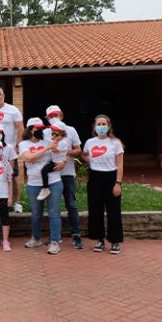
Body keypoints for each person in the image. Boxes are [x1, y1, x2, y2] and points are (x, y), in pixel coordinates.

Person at [20, 117, 65, 255]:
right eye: (37, 129)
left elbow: (62, 152)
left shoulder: (50, 141)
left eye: (42, 129)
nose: (40, 131)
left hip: (53, 182)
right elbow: (29, 158)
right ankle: (36, 238)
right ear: (30, 130)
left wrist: (64, 161)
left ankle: (55, 241)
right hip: (34, 183)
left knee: (54, 213)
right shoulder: (24, 144)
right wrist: (47, 148)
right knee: (36, 214)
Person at [82, 114, 125, 254]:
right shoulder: (90, 142)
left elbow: (120, 165)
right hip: (95, 177)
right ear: (94, 127)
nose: (101, 127)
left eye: (103, 124)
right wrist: (91, 161)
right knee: (95, 210)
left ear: (108, 126)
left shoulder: (115, 143)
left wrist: (118, 183)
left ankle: (115, 241)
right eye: (98, 124)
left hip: (111, 177)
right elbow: (83, 154)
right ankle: (99, 239)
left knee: (113, 210)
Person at [43, 105, 84, 249]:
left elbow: (78, 150)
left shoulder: (70, 130)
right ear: (47, 119)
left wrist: (66, 156)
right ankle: (55, 236)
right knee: (53, 207)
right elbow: (43, 151)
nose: (53, 117)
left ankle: (76, 235)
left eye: (55, 114)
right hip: (52, 173)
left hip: (67, 173)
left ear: (61, 115)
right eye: (50, 116)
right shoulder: (46, 133)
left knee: (71, 204)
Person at [36, 121, 71, 201]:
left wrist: (52, 144)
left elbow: (54, 150)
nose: (53, 136)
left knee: (44, 171)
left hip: (57, 163)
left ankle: (45, 189)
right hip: (53, 160)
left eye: (55, 134)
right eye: (52, 134)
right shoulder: (58, 142)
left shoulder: (63, 142)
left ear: (61, 134)